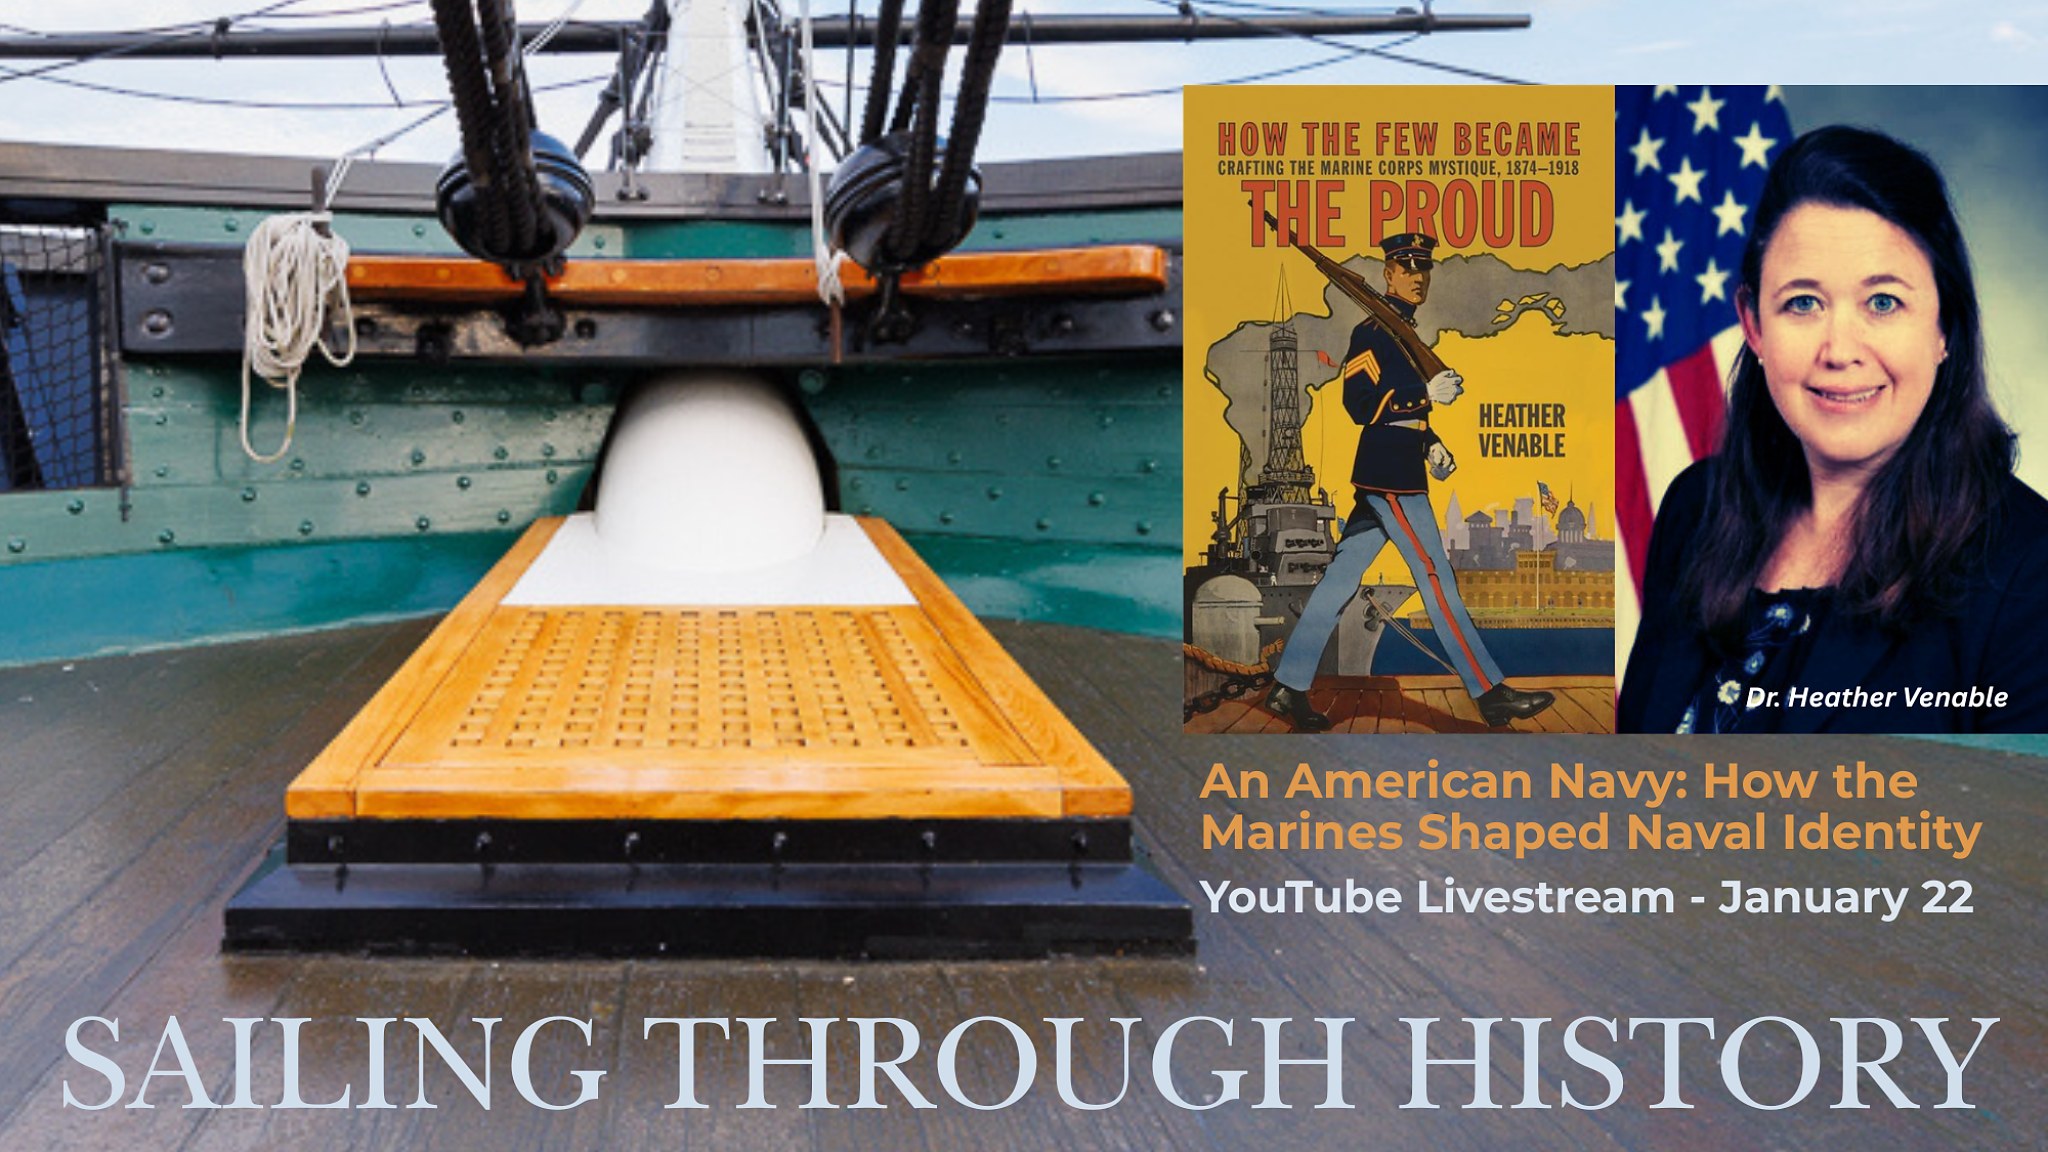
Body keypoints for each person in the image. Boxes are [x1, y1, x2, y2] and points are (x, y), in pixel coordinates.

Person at [1620, 125, 2048, 734]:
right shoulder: (1697, 510)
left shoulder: (2030, 573)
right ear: (1754, 324)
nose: (1840, 350)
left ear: (1944, 327)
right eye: (1802, 303)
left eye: (1882, 303)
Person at [1264, 233, 1557, 731]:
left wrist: (1431, 439)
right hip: (1390, 476)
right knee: (1435, 577)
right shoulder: (1373, 333)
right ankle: (1489, 692)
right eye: (1407, 267)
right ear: (1388, 274)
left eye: (1425, 268)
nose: (1418, 276)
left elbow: (1403, 411)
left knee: (1338, 581)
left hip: (1398, 464)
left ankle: (1287, 686)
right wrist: (1424, 393)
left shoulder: (1401, 333)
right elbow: (1359, 405)